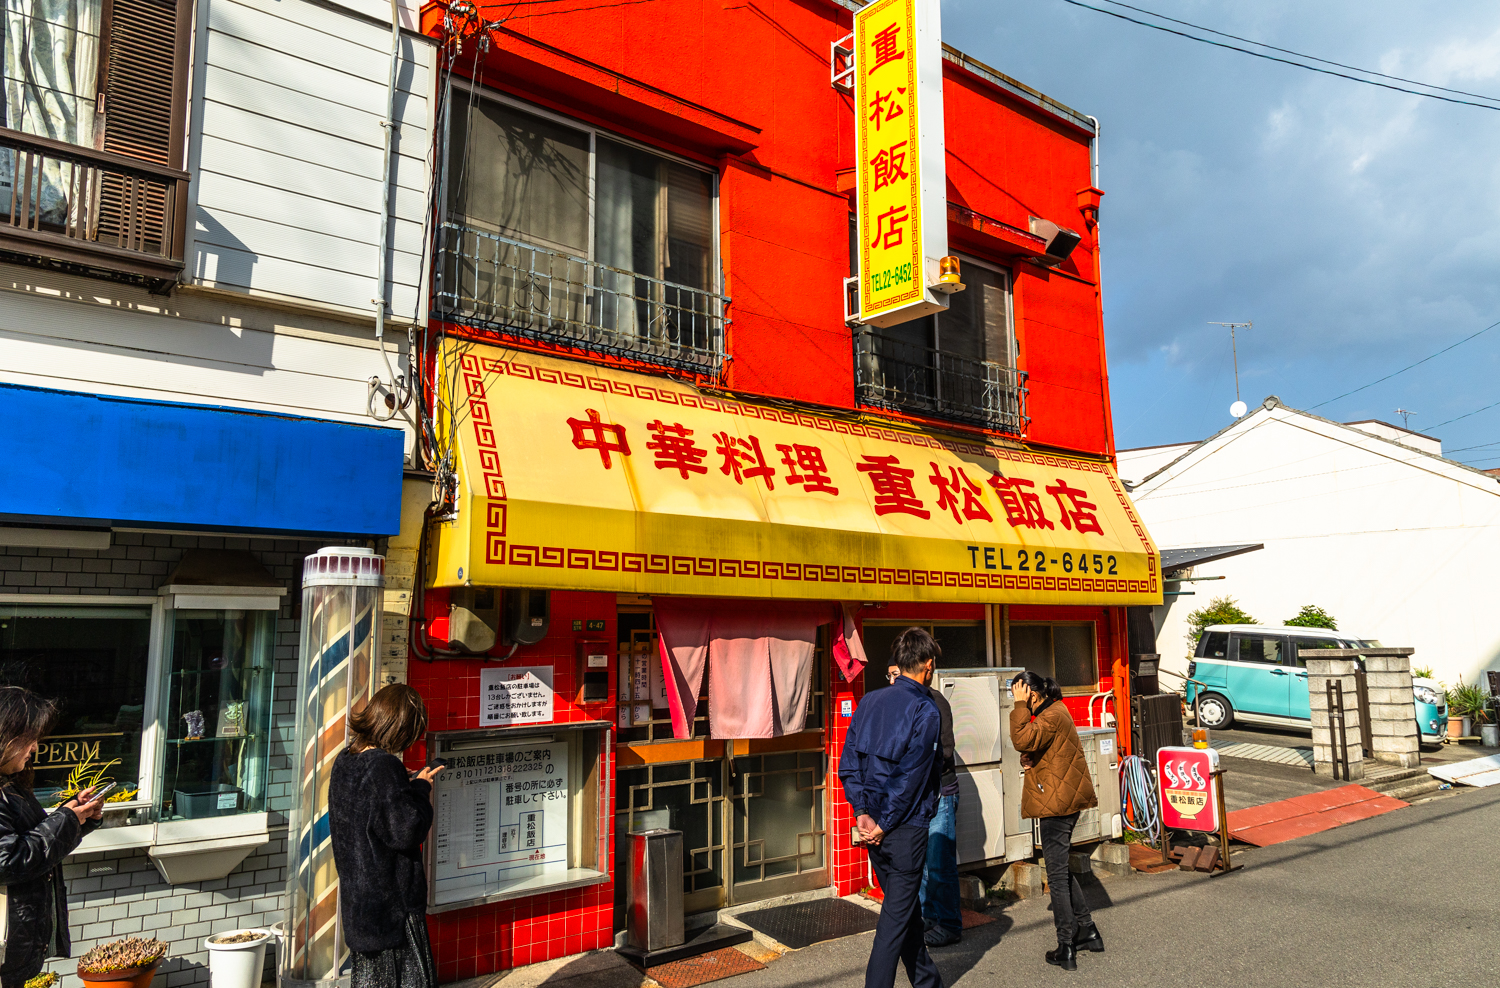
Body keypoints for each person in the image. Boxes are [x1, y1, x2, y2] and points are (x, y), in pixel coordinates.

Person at [839, 628, 944, 988]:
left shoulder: (869, 701)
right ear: (928, 665)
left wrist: (862, 812)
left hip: (874, 829)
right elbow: (911, 777)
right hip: (904, 829)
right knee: (893, 924)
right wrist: (883, 820)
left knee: (904, 915)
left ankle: (928, 983)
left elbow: (849, 764)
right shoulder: (925, 709)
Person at [329, 685, 447, 988]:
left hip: (361, 902)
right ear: (399, 726)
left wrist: (401, 782)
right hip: (392, 909)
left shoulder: (346, 759)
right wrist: (421, 789)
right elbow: (407, 830)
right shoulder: (384, 765)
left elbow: (370, 811)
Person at [0, 686, 106, 988]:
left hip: (16, 945)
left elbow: (31, 842)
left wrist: (75, 817)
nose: (34, 747)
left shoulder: (11, 785)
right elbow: (8, 860)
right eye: (29, 738)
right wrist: (66, 819)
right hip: (6, 943)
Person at [1009, 670, 1101, 971]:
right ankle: (1087, 930)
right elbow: (1041, 748)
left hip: (1057, 806)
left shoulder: (1051, 714)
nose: (1017, 701)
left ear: (1032, 694)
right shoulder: (1055, 713)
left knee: (1057, 877)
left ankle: (1066, 945)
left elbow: (1022, 738)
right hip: (1060, 799)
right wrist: (1032, 759)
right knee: (1060, 868)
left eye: (1019, 695)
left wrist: (1020, 707)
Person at [882, 659, 960, 949]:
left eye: (896, 675)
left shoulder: (935, 702)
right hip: (914, 796)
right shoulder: (897, 705)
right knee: (921, 863)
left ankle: (949, 923)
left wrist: (913, 764)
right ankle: (928, 917)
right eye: (889, 675)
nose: (892, 681)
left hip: (940, 792)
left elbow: (947, 750)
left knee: (940, 862)